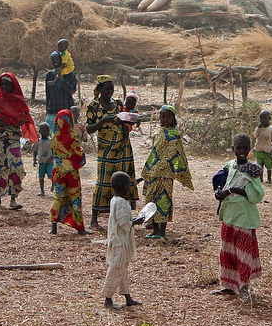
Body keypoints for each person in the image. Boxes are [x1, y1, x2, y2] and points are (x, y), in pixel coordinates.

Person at [212, 134, 264, 298]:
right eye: (238, 148)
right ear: (233, 148)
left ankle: (243, 287)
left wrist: (232, 191)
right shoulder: (229, 166)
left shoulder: (253, 169)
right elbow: (221, 182)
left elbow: (257, 194)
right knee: (228, 252)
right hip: (229, 216)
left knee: (244, 254)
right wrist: (219, 192)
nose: (241, 151)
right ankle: (228, 285)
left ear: (249, 150)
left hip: (244, 217)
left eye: (244, 148)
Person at [86, 75, 139, 230]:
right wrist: (103, 121)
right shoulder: (93, 106)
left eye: (111, 89)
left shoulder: (117, 104)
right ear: (99, 89)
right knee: (103, 181)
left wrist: (132, 120)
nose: (110, 91)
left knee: (124, 179)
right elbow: (89, 129)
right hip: (106, 149)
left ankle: (123, 218)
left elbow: (125, 120)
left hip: (123, 146)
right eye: (107, 88)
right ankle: (94, 220)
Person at [141, 105, 194, 239]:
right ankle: (154, 230)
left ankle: (162, 231)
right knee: (151, 200)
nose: (165, 119)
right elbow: (153, 153)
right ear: (160, 118)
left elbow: (179, 154)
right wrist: (147, 170)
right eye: (163, 117)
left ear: (173, 118)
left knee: (164, 200)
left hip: (167, 175)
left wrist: (181, 172)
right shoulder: (158, 133)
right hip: (154, 172)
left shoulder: (175, 135)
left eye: (168, 117)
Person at [0, 72, 37, 210]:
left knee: (15, 167)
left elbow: (23, 119)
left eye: (7, 84)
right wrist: (12, 119)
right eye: (2, 84)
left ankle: (13, 199)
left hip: (14, 138)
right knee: (0, 167)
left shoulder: (18, 101)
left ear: (13, 85)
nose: (4, 87)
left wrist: (6, 118)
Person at [101, 171, 144, 308]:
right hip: (119, 242)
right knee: (116, 269)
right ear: (125, 186)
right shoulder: (120, 202)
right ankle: (107, 299)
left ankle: (127, 297)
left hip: (120, 241)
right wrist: (135, 222)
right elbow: (123, 223)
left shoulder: (115, 200)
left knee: (122, 270)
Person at [49, 109, 92, 235]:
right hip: (71, 173)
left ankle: (54, 227)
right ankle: (80, 228)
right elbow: (78, 154)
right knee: (75, 198)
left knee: (58, 197)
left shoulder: (54, 137)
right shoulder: (72, 136)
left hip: (59, 172)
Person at [45, 50, 77, 131]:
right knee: (52, 135)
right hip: (53, 108)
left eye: (57, 59)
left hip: (66, 108)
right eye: (53, 60)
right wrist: (47, 109)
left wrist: (61, 78)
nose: (55, 62)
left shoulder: (69, 75)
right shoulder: (49, 74)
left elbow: (71, 90)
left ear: (61, 60)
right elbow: (48, 93)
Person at [253, 110, 272, 184]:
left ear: (269, 118)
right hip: (258, 149)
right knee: (260, 164)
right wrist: (258, 129)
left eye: (265, 118)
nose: (262, 120)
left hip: (268, 150)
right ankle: (260, 178)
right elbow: (255, 135)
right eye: (261, 118)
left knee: (268, 165)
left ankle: (269, 178)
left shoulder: (271, 129)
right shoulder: (258, 128)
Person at [33, 122, 53, 196]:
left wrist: (52, 158)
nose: (46, 132)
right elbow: (35, 151)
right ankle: (42, 191)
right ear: (40, 131)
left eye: (47, 130)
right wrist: (34, 160)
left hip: (49, 161)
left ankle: (53, 186)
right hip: (41, 161)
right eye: (44, 130)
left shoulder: (51, 141)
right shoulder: (38, 141)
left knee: (51, 175)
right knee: (41, 177)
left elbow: (54, 150)